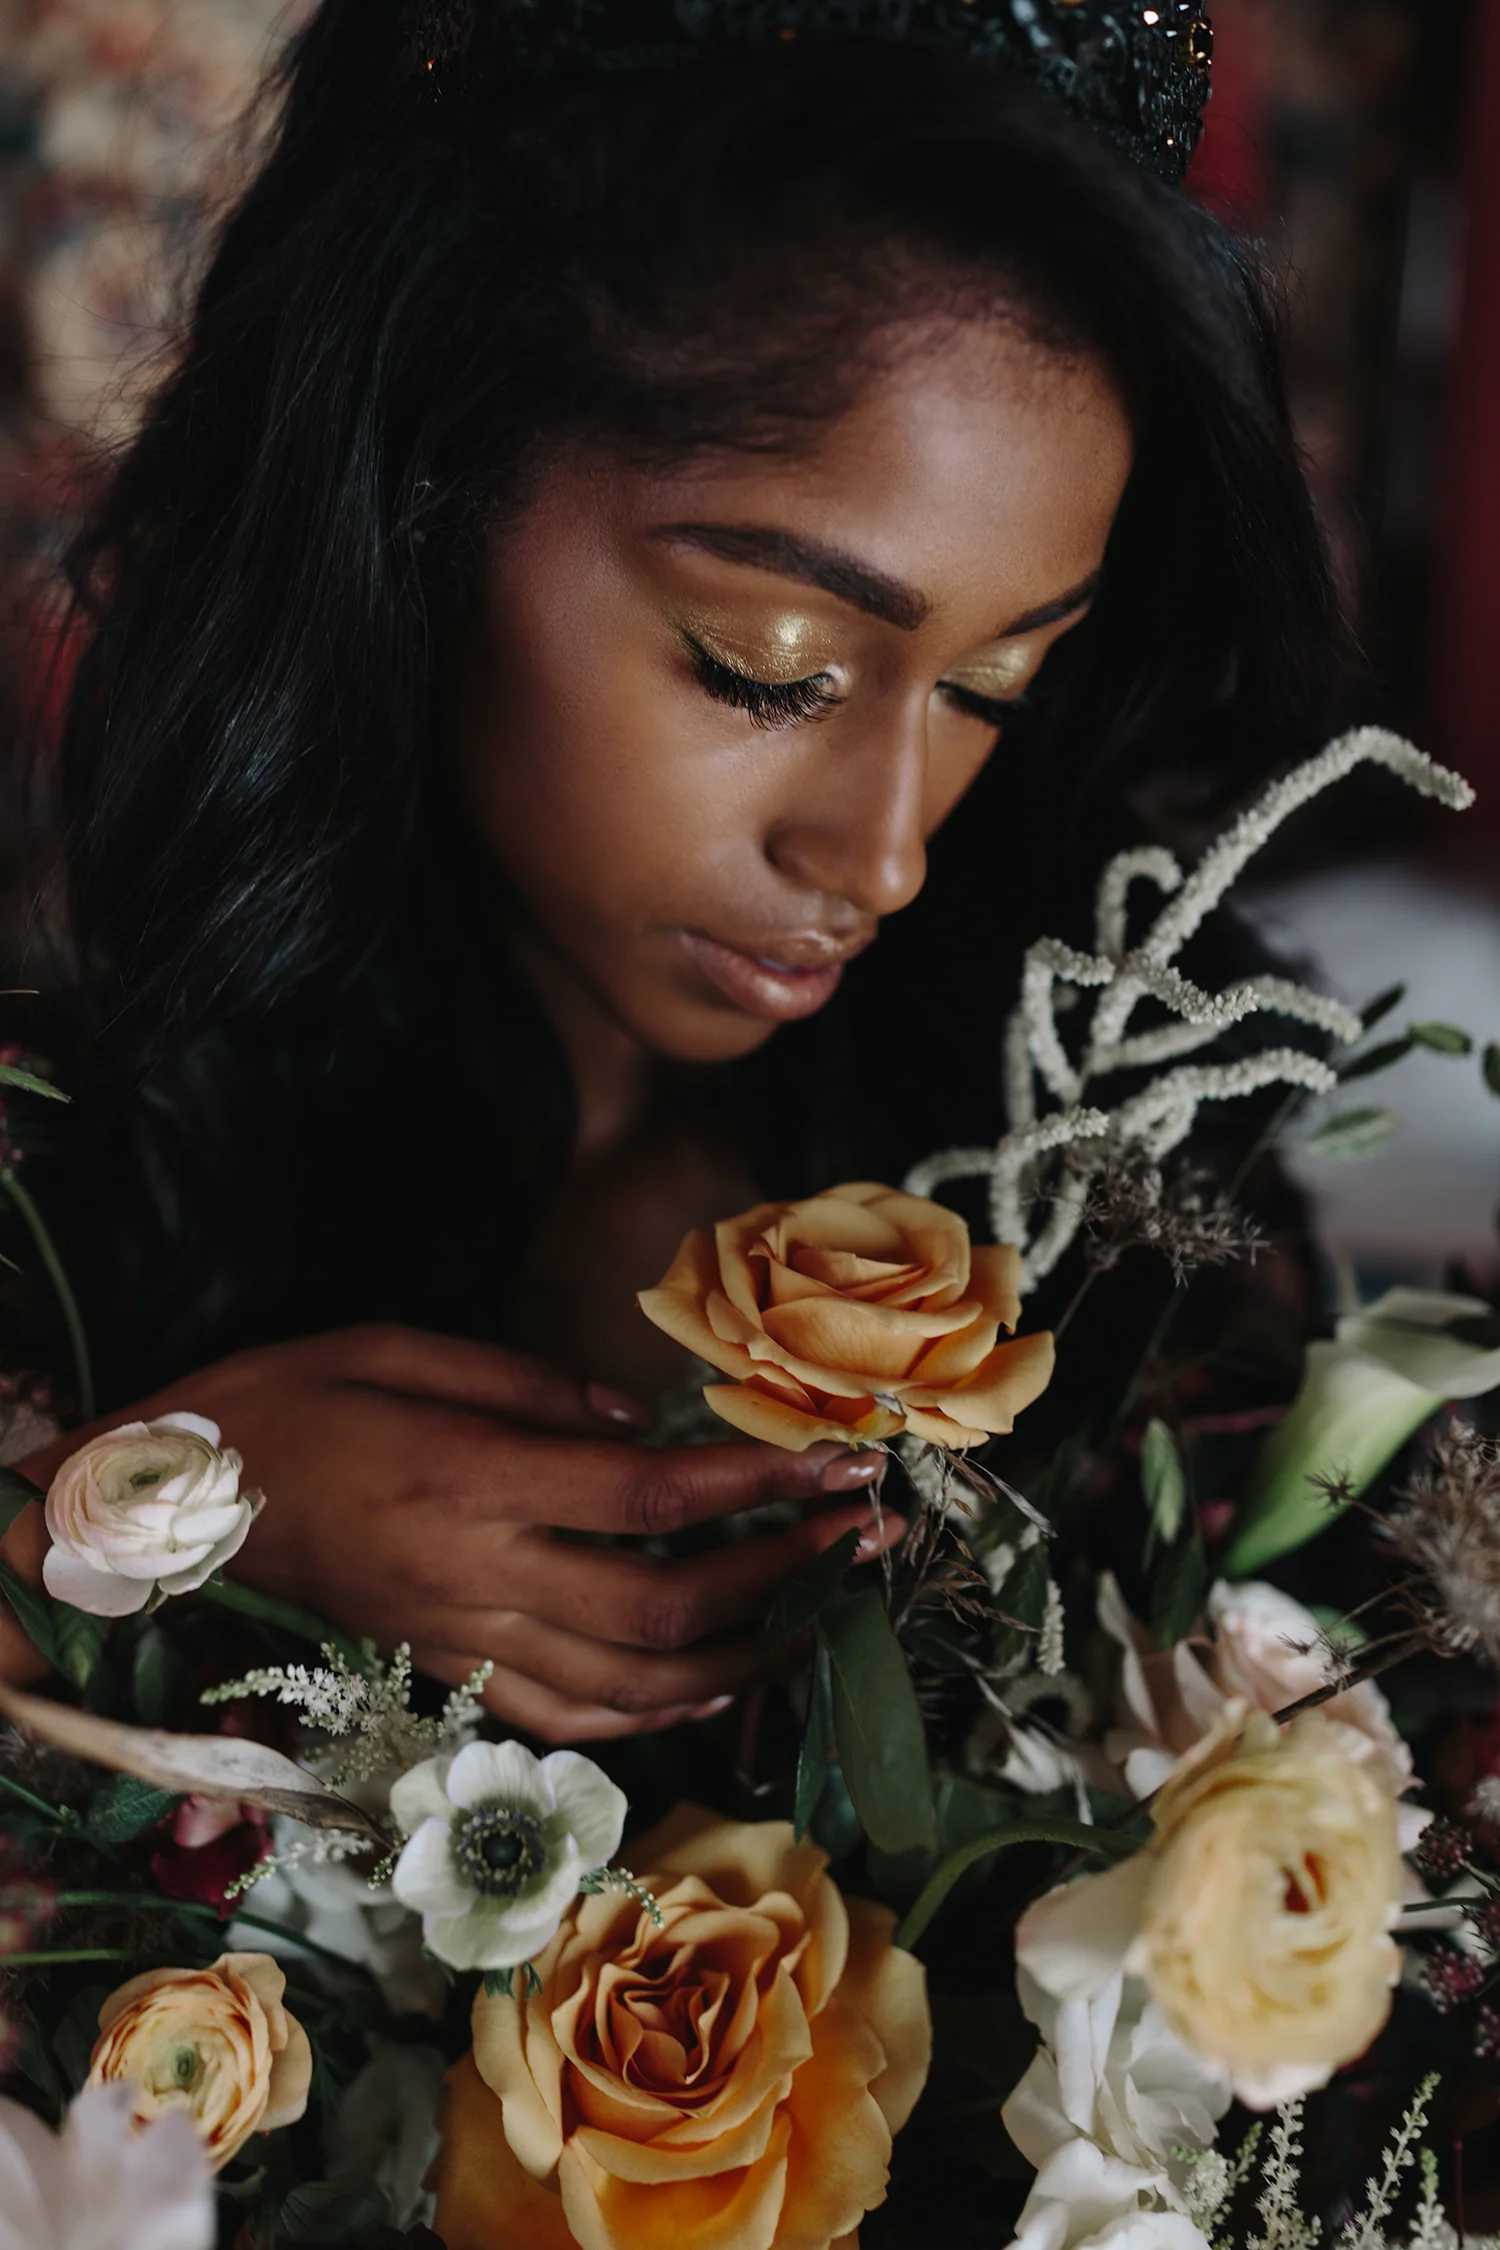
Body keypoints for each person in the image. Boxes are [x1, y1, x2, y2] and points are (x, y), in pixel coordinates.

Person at [0, 0, 1339, 1739]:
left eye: (998, 684)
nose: (885, 852)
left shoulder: (1128, 1168)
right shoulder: (65, 1154)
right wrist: (165, 1507)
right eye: (768, 665)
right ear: (421, 487)